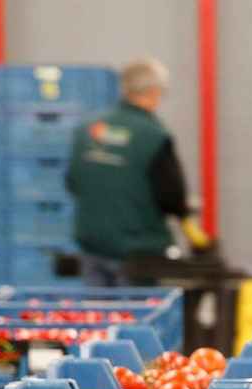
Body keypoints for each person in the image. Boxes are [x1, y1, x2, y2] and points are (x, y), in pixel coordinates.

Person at [65, 57, 210, 288]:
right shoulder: (154, 135)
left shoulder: (87, 129)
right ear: (154, 92)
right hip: (138, 253)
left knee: (102, 319)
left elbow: (72, 182)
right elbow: (172, 198)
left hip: (92, 246)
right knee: (133, 319)